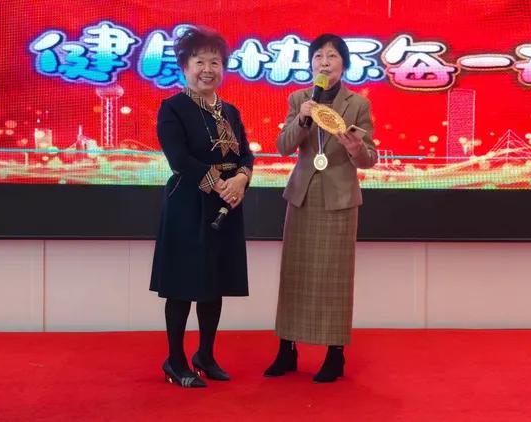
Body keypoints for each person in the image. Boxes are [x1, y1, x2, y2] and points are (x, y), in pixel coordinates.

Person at [264, 33, 378, 383]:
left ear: (344, 64)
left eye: (332, 56)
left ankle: (335, 354)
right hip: (303, 194)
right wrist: (301, 119)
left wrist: (356, 148)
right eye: (318, 56)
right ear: (311, 63)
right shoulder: (300, 98)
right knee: (294, 272)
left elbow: (369, 159)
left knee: (334, 276)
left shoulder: (357, 104)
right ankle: (287, 349)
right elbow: (283, 147)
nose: (324, 62)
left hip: (340, 198)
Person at [150, 27, 253, 388]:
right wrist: (220, 185)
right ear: (185, 67)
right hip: (187, 205)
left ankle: (205, 355)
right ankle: (175, 360)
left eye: (215, 62)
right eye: (199, 62)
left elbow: (246, 155)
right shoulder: (172, 108)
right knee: (181, 285)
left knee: (214, 283)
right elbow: (179, 159)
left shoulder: (231, 111)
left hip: (226, 206)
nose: (207, 69)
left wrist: (240, 180)